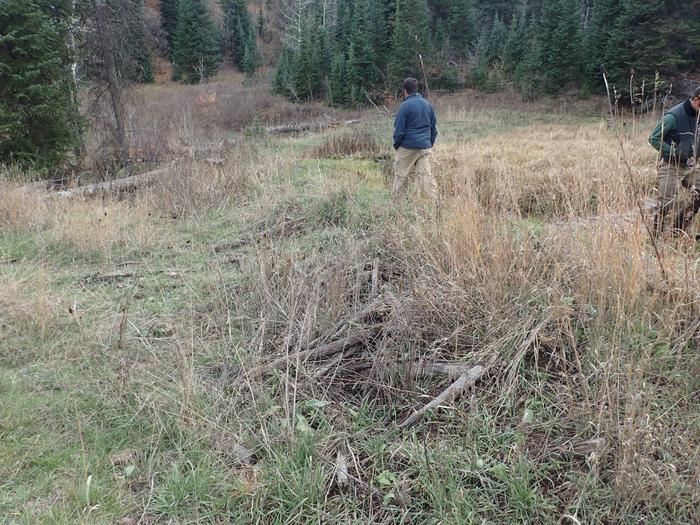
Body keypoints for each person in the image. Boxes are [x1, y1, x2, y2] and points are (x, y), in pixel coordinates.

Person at [649, 86, 700, 237]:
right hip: (671, 166)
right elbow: (653, 138)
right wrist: (674, 153)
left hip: (690, 167)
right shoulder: (674, 116)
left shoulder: (698, 116)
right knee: (665, 203)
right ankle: (655, 238)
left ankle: (678, 229)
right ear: (697, 99)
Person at [392, 77, 439, 204]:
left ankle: (396, 206)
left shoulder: (405, 106)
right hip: (424, 147)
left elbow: (399, 131)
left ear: (405, 91)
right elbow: (434, 129)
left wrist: (398, 146)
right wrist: (429, 144)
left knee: (400, 176)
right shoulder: (428, 105)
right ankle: (437, 204)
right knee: (426, 179)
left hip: (408, 146)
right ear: (416, 89)